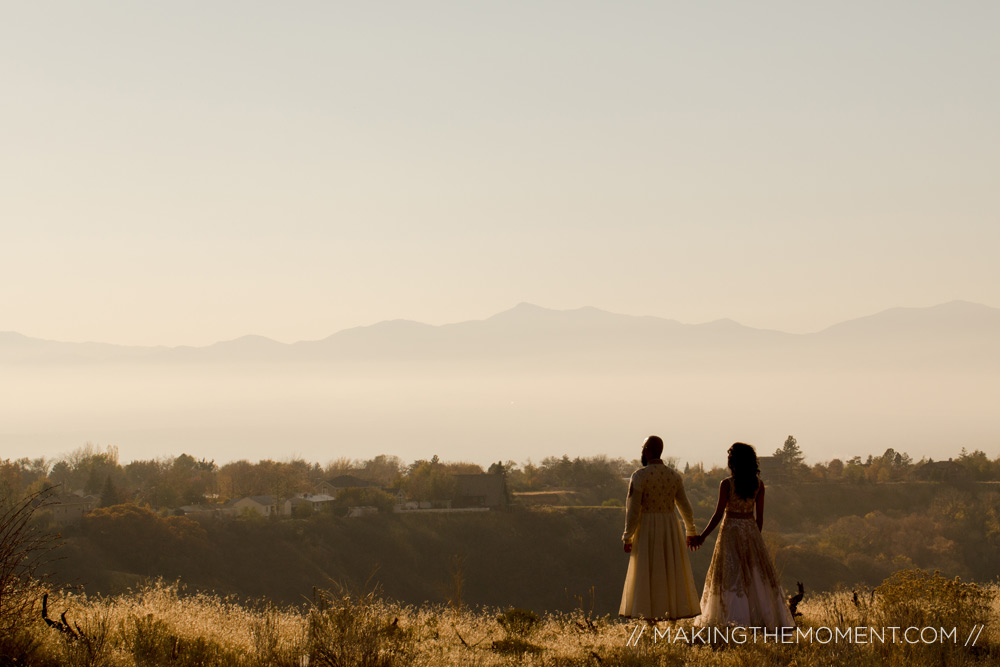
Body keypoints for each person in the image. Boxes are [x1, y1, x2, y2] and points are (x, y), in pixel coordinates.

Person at [688, 442, 794, 629]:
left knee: (730, 575)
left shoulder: (726, 485)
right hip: (751, 532)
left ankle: (732, 621)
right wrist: (754, 539)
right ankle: (760, 620)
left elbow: (718, 514)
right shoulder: (759, 485)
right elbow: (759, 518)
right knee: (754, 575)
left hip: (730, 533)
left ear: (733, 462)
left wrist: (702, 537)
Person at [619, 435, 701, 620]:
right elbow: (686, 508)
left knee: (648, 571)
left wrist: (627, 536)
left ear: (647, 450)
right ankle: (671, 614)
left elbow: (632, 510)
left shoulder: (640, 476)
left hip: (647, 527)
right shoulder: (674, 476)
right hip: (670, 527)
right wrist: (691, 531)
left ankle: (648, 616)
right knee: (670, 570)